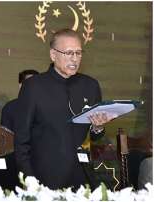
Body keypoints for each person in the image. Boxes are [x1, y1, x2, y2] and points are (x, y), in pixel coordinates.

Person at [14, 28, 115, 190]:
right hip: (44, 178)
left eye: (78, 53)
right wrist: (29, 178)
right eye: (69, 53)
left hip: (83, 176)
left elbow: (96, 138)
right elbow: (21, 140)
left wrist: (98, 127)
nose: (75, 59)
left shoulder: (90, 85)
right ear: (53, 55)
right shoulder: (33, 86)